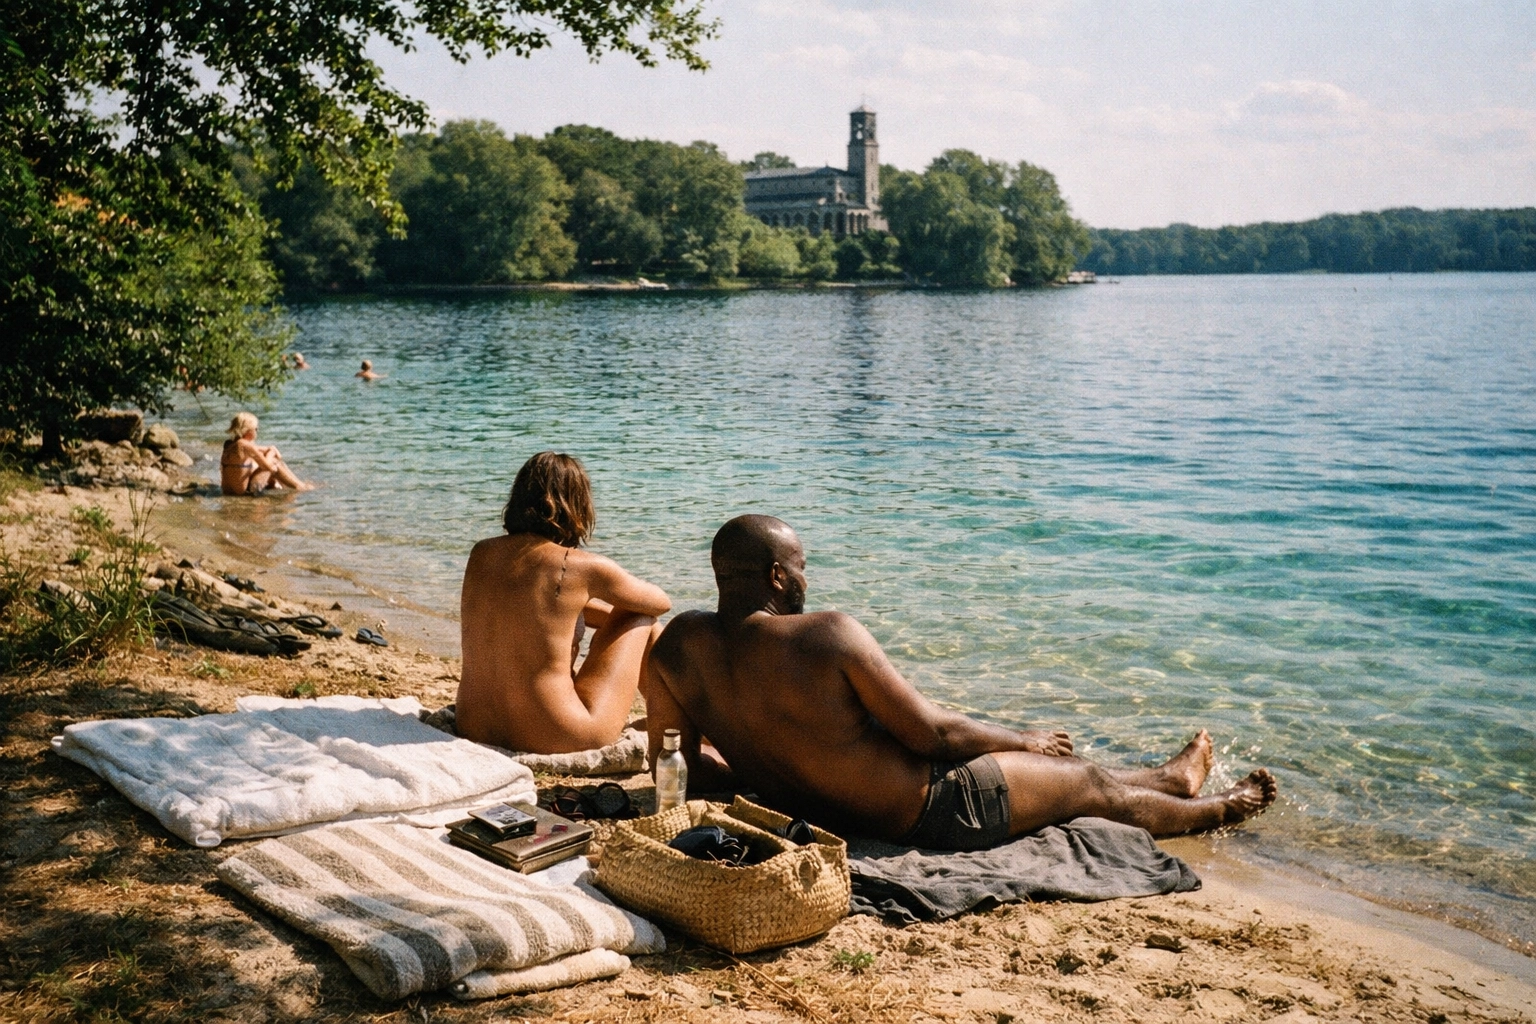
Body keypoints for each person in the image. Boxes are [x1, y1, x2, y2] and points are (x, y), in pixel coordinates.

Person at [644, 515, 1277, 850]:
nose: (807, 579)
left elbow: (676, 767)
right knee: (1082, 779)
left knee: (1059, 773)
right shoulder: (826, 633)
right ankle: (1217, 810)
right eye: (802, 567)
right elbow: (933, 735)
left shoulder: (676, 645)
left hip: (823, 810)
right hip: (930, 812)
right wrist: (1022, 738)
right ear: (778, 578)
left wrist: (766, 764)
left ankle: (1168, 781)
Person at [457, 452, 671, 754]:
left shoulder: (481, 553)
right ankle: (674, 722)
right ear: (577, 506)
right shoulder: (578, 566)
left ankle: (674, 721)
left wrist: (593, 611)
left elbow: (539, 612)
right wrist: (616, 617)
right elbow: (660, 602)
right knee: (640, 619)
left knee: (621, 615)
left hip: (473, 724)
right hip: (556, 734)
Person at [220, 412, 312, 496]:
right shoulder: (245, 445)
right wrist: (272, 451)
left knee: (263, 464)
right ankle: (300, 486)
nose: (257, 431)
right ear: (248, 431)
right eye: (256, 429)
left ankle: (283, 486)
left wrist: (270, 449)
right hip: (242, 493)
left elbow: (259, 450)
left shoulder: (229, 444)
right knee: (274, 462)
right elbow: (268, 467)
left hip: (227, 491)